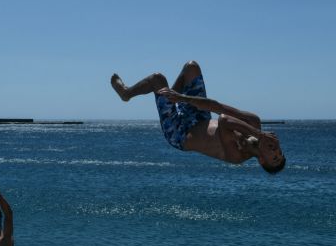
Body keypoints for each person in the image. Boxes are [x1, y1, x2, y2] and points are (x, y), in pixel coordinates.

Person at [110, 60, 285, 174]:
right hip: (200, 117)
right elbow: (218, 107)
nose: (276, 152)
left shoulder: (237, 155)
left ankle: (126, 94)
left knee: (157, 79)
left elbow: (224, 120)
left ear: (262, 160)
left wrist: (259, 135)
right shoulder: (254, 121)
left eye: (274, 157)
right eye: (280, 152)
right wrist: (182, 98)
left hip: (179, 133)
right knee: (191, 67)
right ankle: (172, 98)